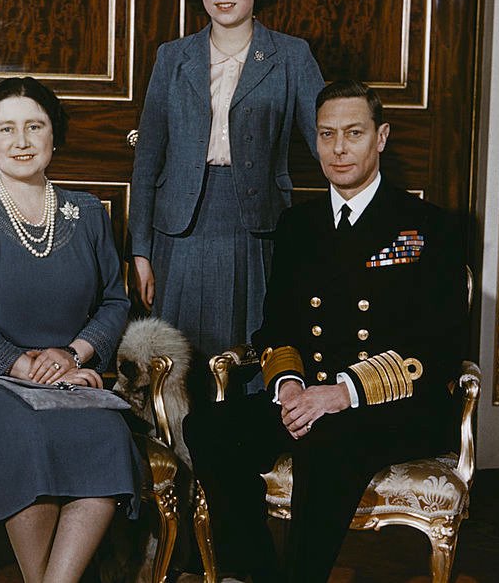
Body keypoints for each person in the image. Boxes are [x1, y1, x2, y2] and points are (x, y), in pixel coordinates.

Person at [183, 80, 469, 582]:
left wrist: (343, 392)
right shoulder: (299, 225)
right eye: (327, 135)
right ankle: (254, 574)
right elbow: (277, 325)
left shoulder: (428, 227)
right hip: (309, 394)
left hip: (397, 405)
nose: (339, 149)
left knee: (329, 437)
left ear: (381, 137)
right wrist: (290, 385)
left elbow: (440, 346)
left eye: (354, 133)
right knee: (208, 426)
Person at [0, 77, 141, 583]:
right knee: (26, 436)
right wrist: (26, 366)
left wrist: (74, 355)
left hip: (66, 371)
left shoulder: (87, 212)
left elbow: (115, 301)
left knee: (108, 435)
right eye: (6, 128)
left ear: (55, 137)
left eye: (34, 126)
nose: (21, 140)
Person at [129, 0, 324, 394]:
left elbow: (328, 141)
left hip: (256, 227)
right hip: (178, 230)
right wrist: (139, 249)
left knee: (250, 358)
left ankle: (236, 460)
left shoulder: (291, 56)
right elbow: (148, 156)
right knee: (173, 369)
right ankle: (177, 459)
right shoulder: (172, 58)